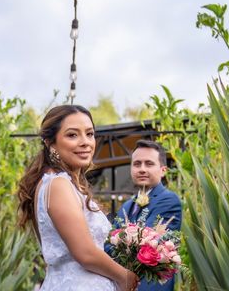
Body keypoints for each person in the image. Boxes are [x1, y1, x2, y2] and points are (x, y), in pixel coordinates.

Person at [18, 105, 139, 291]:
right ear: (50, 142)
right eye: (72, 135)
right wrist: (126, 277)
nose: (85, 142)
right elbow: (85, 253)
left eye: (89, 134)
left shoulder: (61, 184)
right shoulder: (58, 184)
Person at [112, 140, 182, 291]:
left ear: (163, 170)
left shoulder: (169, 200)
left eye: (149, 164)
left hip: (150, 286)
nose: (142, 169)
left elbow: (148, 242)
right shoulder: (126, 206)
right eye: (137, 164)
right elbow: (109, 244)